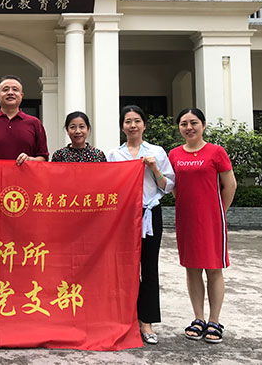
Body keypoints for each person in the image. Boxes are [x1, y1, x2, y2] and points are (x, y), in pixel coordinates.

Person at [106, 105, 174, 345]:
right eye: (128, 121)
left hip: (149, 214)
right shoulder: (114, 155)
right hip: (123, 216)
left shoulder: (157, 152)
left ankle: (147, 321)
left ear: (144, 124)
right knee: (124, 268)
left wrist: (154, 168)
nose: (132, 125)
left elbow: (168, 186)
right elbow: (109, 185)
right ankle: (125, 317)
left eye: (137, 121)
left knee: (149, 266)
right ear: (122, 126)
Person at [168, 108, 237, 344]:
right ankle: (198, 319)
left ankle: (214, 321)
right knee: (192, 268)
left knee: (213, 268)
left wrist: (218, 212)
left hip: (211, 220)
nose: (189, 128)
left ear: (203, 125)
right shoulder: (174, 154)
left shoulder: (216, 152)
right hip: (186, 219)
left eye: (194, 123)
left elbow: (230, 185)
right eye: (184, 124)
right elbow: (175, 187)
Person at [0, 75, 48, 165]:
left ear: (21, 96)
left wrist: (29, 159)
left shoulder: (34, 123)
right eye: (5, 90)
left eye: (15, 89)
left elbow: (44, 158)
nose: (10, 93)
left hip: (25, 174)